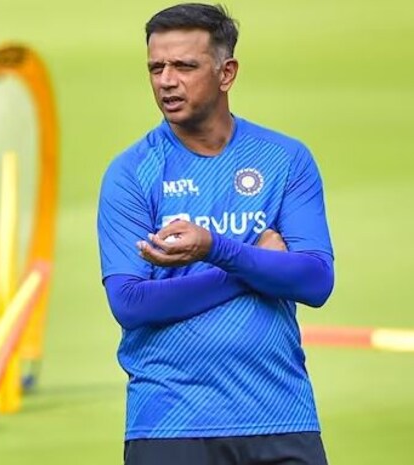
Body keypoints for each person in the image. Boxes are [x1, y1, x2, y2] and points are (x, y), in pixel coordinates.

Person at [97, 3, 335, 465]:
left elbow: (315, 281)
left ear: (227, 73)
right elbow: (130, 303)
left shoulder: (285, 160)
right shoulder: (131, 173)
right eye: (156, 68)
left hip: (280, 414)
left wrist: (215, 249)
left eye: (184, 66)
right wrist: (244, 264)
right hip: (170, 423)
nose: (167, 81)